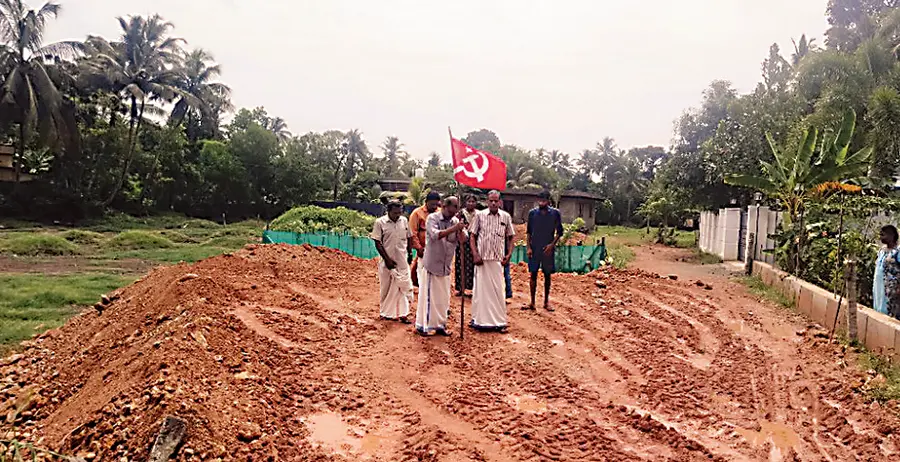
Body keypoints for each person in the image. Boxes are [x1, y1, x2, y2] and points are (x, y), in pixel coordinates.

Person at [417, 196, 467, 336]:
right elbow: (435, 235)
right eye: (454, 208)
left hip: (445, 266)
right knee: (429, 298)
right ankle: (424, 326)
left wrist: (461, 231)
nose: (455, 211)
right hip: (432, 265)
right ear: (445, 206)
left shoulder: (455, 221)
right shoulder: (432, 218)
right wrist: (454, 228)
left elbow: (463, 239)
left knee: (443, 299)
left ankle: (440, 325)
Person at [469, 190, 515, 332]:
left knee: (498, 292)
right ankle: (479, 321)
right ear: (487, 201)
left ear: (500, 202)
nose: (494, 203)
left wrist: (509, 255)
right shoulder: (479, 215)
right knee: (480, 292)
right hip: (482, 260)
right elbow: (472, 236)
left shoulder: (506, 217)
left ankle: (499, 322)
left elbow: (511, 236)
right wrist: (475, 254)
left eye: (496, 200)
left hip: (497, 261)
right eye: (491, 201)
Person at [371, 201, 414, 323]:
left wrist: (410, 253)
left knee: (402, 287)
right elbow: (378, 243)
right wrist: (387, 260)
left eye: (399, 212)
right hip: (386, 262)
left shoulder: (404, 221)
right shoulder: (380, 223)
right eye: (395, 213)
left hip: (402, 260)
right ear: (388, 211)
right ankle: (385, 312)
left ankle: (403, 314)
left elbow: (409, 237)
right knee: (386, 287)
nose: (397, 215)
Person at [526, 190, 564, 311]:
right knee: (533, 274)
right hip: (535, 247)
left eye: (543, 199)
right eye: (539, 199)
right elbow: (528, 232)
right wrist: (528, 247)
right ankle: (532, 302)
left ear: (548, 201)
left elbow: (560, 232)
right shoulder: (532, 214)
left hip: (548, 248)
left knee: (547, 275)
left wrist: (552, 245)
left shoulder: (555, 214)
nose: (541, 202)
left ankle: (546, 302)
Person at [409, 192, 442, 287]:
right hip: (423, 249)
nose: (434, 206)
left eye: (436, 204)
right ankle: (423, 290)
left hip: (437, 250)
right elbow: (413, 232)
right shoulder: (417, 213)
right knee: (422, 272)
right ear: (426, 202)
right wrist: (418, 248)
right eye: (432, 204)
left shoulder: (440, 213)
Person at [874, 225, 900, 319]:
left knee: (890, 314)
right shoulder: (882, 251)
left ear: (892, 236)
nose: (881, 237)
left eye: (883, 235)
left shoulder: (897, 252)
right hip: (879, 287)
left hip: (892, 291)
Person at [454, 195, 477, 296]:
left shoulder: (478, 214)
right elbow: (456, 225)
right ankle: (461, 289)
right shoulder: (460, 213)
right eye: (469, 201)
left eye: (473, 202)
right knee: (461, 264)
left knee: (473, 266)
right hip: (462, 243)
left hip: (474, 242)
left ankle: (473, 288)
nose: (471, 203)